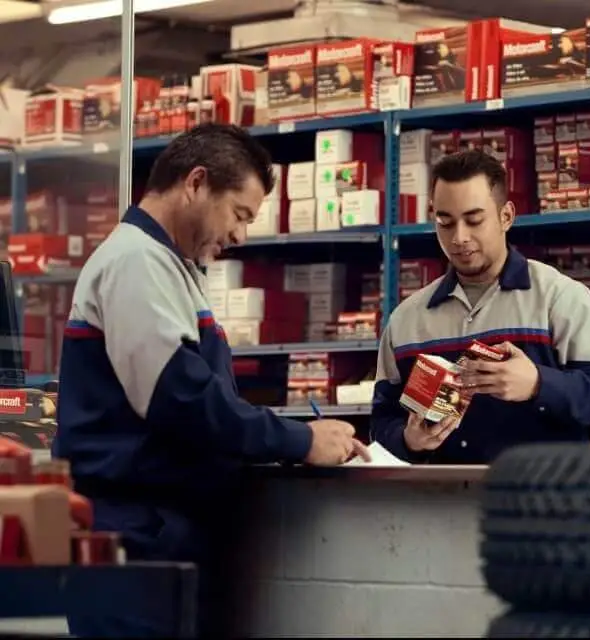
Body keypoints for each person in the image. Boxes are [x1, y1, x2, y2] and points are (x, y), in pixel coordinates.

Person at [52, 123, 370, 637]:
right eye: (239, 214)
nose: (240, 235)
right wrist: (299, 438)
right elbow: (181, 399)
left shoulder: (173, 268)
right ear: (196, 183)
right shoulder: (136, 261)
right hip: (132, 543)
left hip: (158, 539)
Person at [371, 150, 590, 464]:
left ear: (506, 216)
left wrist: (538, 384)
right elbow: (382, 421)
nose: (459, 238)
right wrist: (408, 438)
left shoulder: (558, 297)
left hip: (540, 504)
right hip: (441, 504)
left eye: (474, 220)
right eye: (445, 222)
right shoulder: (407, 320)